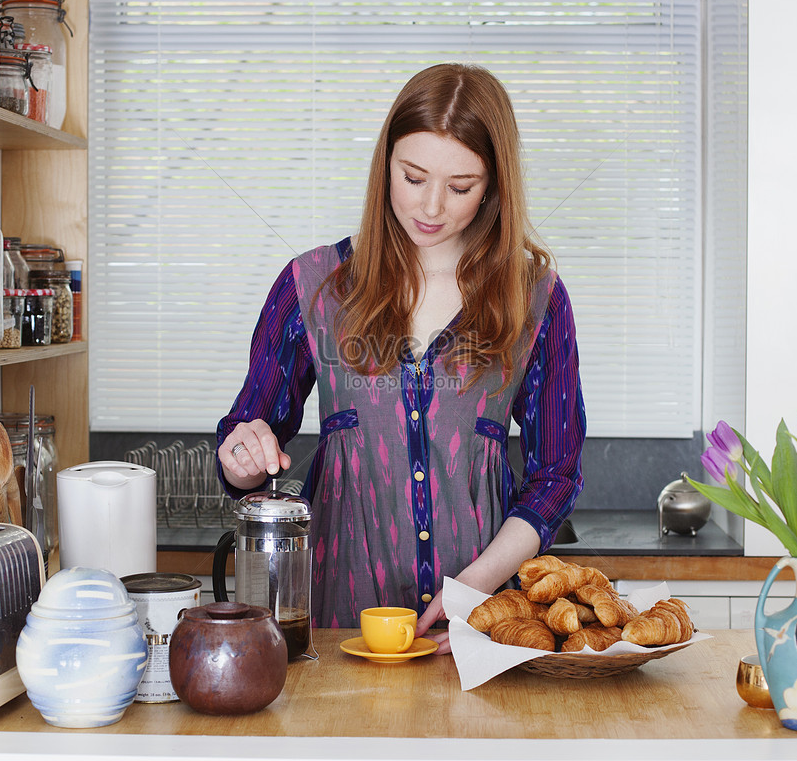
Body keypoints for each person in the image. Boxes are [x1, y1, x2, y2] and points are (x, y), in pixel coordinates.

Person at [216, 63, 586, 652]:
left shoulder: (536, 298)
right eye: (413, 177)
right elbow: (248, 430)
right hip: (339, 624)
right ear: (385, 162)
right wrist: (241, 458)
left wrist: (475, 588)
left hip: (481, 629)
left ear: (494, 185)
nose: (432, 206)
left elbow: (556, 475)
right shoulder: (313, 284)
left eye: (461, 187)